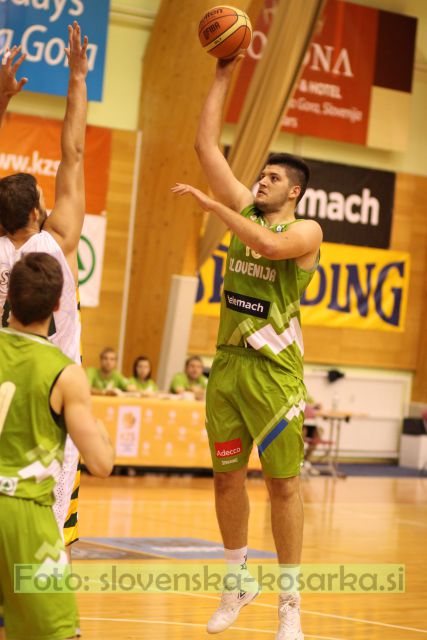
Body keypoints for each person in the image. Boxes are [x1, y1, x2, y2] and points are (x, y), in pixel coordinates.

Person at [172, 56, 322, 639]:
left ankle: (291, 606)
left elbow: (262, 240)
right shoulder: (247, 205)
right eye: (258, 176)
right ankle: (237, 581)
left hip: (277, 374)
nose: (260, 182)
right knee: (226, 478)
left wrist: (216, 208)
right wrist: (222, 72)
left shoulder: (304, 232)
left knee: (283, 485)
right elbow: (205, 144)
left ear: (296, 191)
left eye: (272, 179)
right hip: (229, 366)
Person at [0, 22, 89, 550]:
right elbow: (72, 153)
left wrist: (3, 98)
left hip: (3, 388)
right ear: (38, 210)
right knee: (50, 536)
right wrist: (76, 77)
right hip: (53, 399)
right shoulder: (57, 238)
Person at [0, 252, 114, 640]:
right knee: (60, 633)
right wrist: (100, 432)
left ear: (8, 297)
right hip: (23, 515)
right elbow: (100, 463)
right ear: (57, 305)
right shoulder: (65, 372)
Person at [302, 394, 322, 476]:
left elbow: (316, 407)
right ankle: (300, 461)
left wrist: (315, 406)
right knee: (303, 433)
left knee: (319, 433)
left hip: (311, 425)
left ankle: (306, 460)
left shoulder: (308, 395)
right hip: (302, 425)